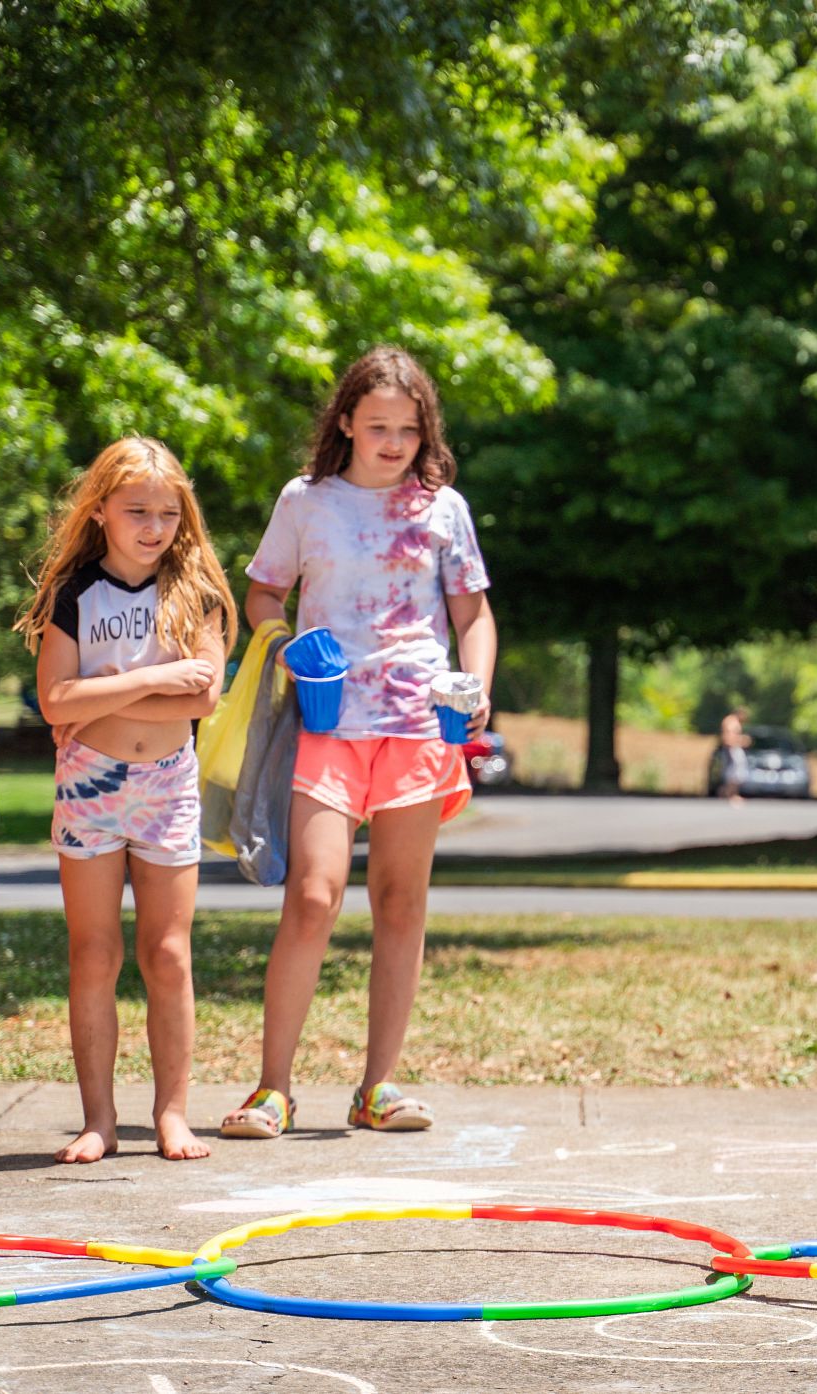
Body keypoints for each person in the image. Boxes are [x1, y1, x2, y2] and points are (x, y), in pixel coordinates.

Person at [221, 347, 495, 1140]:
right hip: (328, 720)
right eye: (378, 427)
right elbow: (264, 591)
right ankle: (273, 1089)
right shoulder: (305, 502)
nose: (394, 443)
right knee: (314, 895)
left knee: (401, 902)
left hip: (420, 723)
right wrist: (281, 643)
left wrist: (475, 684)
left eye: (409, 429)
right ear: (344, 422)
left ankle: (377, 1088)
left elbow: (473, 615)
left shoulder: (444, 510)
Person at [15, 437, 237, 1163]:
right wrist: (152, 681)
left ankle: (172, 1114)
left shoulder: (195, 594)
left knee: (168, 955)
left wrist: (103, 695)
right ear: (101, 510)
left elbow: (203, 696)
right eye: (136, 510)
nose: (153, 526)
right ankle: (99, 1121)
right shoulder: (74, 595)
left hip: (167, 787)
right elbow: (55, 701)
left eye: (168, 513)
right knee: (94, 953)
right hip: (90, 784)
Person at [717, 705, 752, 803]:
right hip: (732, 749)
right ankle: (731, 794)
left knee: (736, 773)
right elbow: (728, 738)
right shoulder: (731, 722)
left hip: (734, 748)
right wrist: (742, 740)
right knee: (734, 773)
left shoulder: (733, 721)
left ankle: (728, 793)